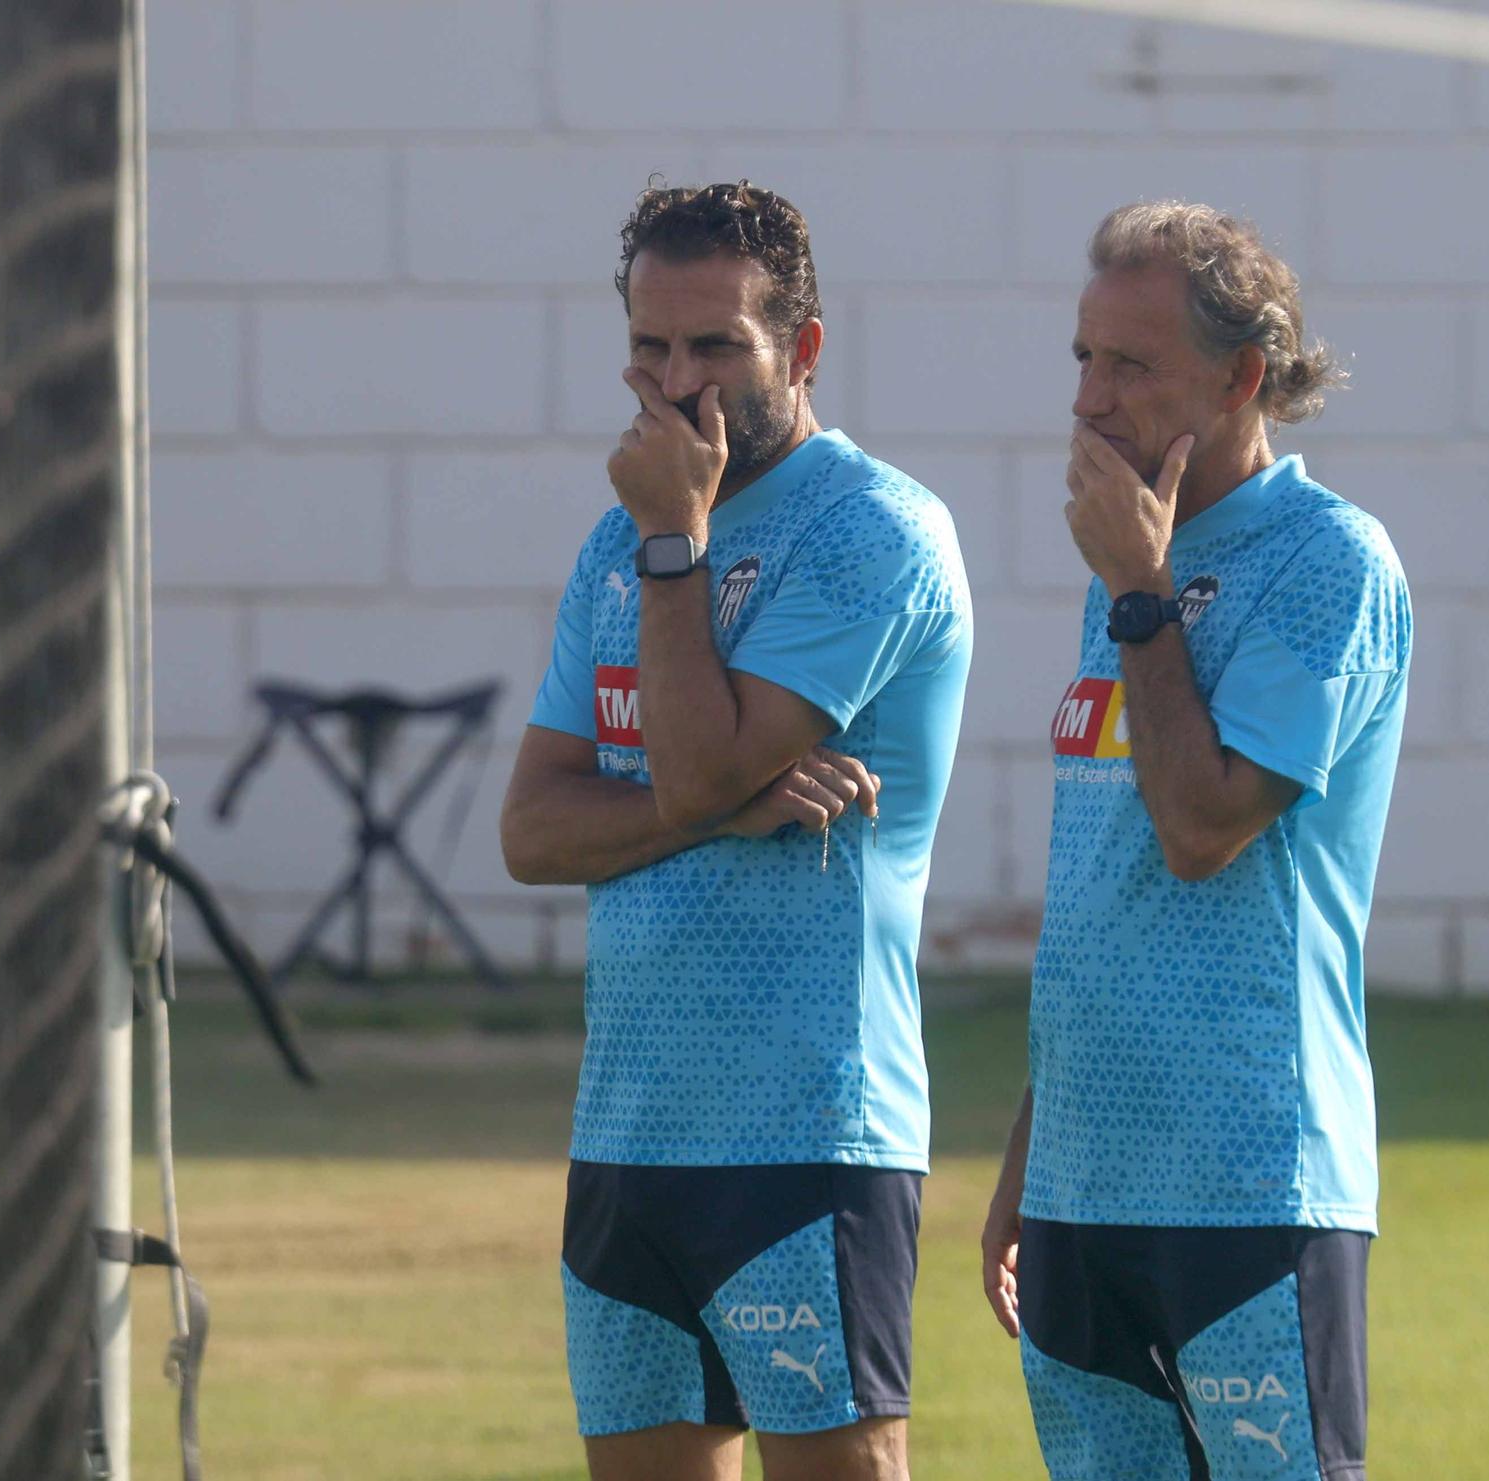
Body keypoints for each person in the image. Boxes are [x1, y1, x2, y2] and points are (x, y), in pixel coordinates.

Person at [501, 181, 973, 1481]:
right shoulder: (614, 543)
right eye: (651, 347)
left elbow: (694, 766)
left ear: (804, 349)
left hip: (806, 1135)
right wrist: (716, 802)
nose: (675, 381)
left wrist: (675, 546)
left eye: (717, 347)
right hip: (630, 1133)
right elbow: (533, 831)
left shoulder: (874, 531)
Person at [981, 201, 1410, 1481]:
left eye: (1130, 364)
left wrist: (1138, 593)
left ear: (1239, 376)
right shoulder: (1130, 570)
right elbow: (1102, 894)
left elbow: (1199, 827)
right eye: (1080, 358)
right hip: (1083, 1182)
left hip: (1247, 1185)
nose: (1089, 399)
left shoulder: (1324, 559)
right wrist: (1029, 1152)